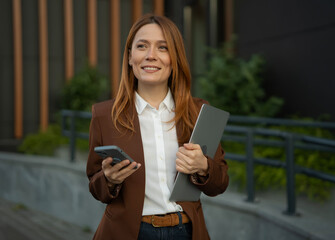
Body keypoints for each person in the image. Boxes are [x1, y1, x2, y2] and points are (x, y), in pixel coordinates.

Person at [86, 14, 229, 240]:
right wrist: (109, 180)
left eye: (162, 48)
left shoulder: (199, 112)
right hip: (128, 234)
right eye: (142, 46)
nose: (151, 56)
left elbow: (219, 184)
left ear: (175, 58)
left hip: (187, 232)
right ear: (130, 56)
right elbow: (96, 186)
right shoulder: (105, 115)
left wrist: (203, 166)